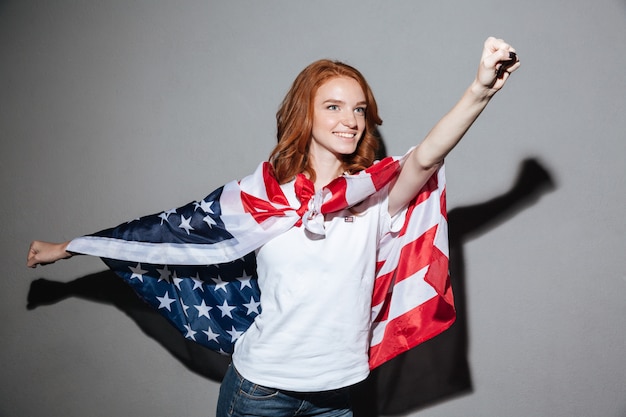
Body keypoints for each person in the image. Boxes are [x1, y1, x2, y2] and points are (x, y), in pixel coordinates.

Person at [27, 37, 519, 417]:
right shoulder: (259, 197)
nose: (350, 120)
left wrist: (480, 89)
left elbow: (430, 153)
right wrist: (72, 247)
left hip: (340, 392)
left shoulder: (377, 194)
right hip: (260, 392)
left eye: (359, 109)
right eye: (333, 106)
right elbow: (171, 234)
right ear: (304, 114)